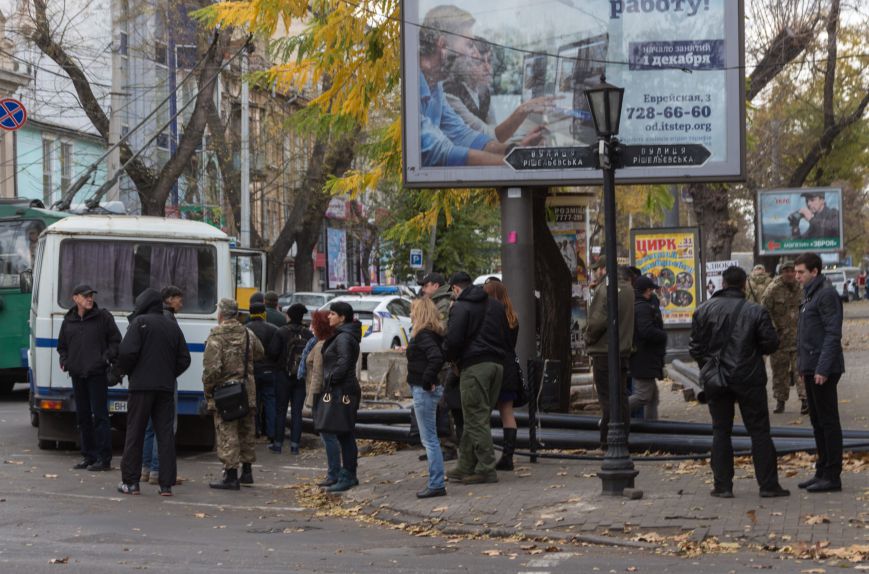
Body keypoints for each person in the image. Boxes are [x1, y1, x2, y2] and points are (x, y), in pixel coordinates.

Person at [689, 266, 788, 499]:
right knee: (760, 431)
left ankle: (723, 486)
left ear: (723, 283)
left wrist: (711, 367)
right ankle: (768, 486)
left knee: (720, 431)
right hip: (749, 378)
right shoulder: (756, 311)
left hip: (716, 381)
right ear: (744, 284)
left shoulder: (703, 310)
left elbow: (695, 348)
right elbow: (771, 344)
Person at [418, 5, 541, 167]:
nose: (474, 54)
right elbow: (441, 152)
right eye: (469, 45)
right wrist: (519, 163)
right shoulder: (413, 86)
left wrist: (517, 152)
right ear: (443, 47)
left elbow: (464, 135)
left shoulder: (435, 86)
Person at [113, 288, 191, 496]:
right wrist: (168, 373)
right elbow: (185, 359)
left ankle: (131, 482)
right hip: (165, 388)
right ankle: (166, 485)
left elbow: (127, 352)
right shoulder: (172, 325)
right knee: (165, 434)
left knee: (135, 433)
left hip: (140, 388)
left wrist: (128, 372)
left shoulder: (139, 323)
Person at [443, 271, 508, 485]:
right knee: (478, 417)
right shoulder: (497, 306)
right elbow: (506, 335)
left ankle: (486, 468)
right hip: (497, 365)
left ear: (455, 288)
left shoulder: (461, 307)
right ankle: (465, 465)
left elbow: (453, 340)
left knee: (475, 418)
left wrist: (451, 360)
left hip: (474, 366)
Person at [57, 284, 121, 472]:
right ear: (75, 298)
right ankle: (89, 456)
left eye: (91, 295)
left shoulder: (103, 317)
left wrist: (106, 357)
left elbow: (116, 341)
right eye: (85, 296)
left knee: (100, 416)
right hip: (77, 374)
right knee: (83, 417)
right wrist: (65, 361)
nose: (89, 299)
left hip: (97, 374)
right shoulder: (68, 320)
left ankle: (104, 458)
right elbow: (62, 346)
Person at [794, 253, 845, 493]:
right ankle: (822, 470)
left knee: (828, 422)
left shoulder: (826, 294)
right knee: (816, 422)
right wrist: (803, 366)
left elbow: (832, 334)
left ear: (814, 271)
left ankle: (833, 476)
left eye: (801, 272)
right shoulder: (810, 294)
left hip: (823, 369)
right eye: (796, 272)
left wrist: (822, 368)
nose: (797, 277)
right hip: (811, 367)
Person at [203, 298, 265, 490]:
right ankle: (247, 472)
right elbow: (260, 353)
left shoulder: (216, 336)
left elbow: (212, 370)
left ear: (221, 314)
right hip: (247, 389)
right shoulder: (248, 333)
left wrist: (208, 391)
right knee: (246, 430)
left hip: (225, 392)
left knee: (227, 432)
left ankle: (230, 475)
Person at [444, 37, 551, 145]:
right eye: (478, 62)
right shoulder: (451, 94)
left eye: (489, 60)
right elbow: (492, 136)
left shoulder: (483, 91)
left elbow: (494, 133)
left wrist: (521, 143)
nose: (487, 67)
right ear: (463, 65)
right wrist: (523, 110)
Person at [584, 263, 634, 449]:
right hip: (622, 350)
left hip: (605, 351)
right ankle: (622, 438)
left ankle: (608, 440)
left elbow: (597, 321)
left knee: (607, 398)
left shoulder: (607, 289)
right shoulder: (629, 290)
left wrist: (588, 338)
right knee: (620, 397)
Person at [141, 285, 185, 485]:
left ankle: (145, 468)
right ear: (168, 300)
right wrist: (171, 372)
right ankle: (158, 471)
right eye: (178, 298)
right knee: (165, 426)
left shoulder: (146, 320)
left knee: (149, 427)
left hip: (148, 379)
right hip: (165, 380)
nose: (180, 303)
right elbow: (182, 356)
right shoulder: (169, 320)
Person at [406, 297, 447, 498]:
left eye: (413, 311)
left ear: (419, 313)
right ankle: (436, 482)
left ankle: (436, 483)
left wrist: (426, 379)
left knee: (429, 439)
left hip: (424, 390)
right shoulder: (432, 333)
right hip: (426, 388)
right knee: (431, 438)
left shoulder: (423, 335)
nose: (410, 314)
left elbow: (436, 357)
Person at [320, 301, 363, 492]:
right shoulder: (342, 335)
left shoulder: (344, 337)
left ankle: (348, 474)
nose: (329, 317)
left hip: (343, 390)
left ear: (342, 317)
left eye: (332, 314)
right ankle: (346, 474)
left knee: (345, 433)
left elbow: (344, 363)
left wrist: (330, 379)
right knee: (343, 432)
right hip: (342, 388)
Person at [419, 271, 460, 459]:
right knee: (441, 404)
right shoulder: (438, 301)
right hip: (440, 359)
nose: (423, 289)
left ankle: (449, 446)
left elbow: (442, 329)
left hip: (443, 362)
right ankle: (443, 445)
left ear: (435, 286)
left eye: (425, 285)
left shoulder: (442, 303)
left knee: (444, 405)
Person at [482, 280, 520, 471]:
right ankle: (508, 456)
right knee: (507, 412)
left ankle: (485, 454)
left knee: (484, 412)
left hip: (494, 365)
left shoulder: (490, 315)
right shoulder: (513, 317)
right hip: (510, 367)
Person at [760, 260, 807, 415]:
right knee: (779, 374)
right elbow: (764, 312)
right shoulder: (772, 290)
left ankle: (805, 401)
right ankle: (780, 401)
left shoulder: (802, 288)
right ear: (781, 273)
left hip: (799, 339)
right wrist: (772, 330)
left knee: (800, 371)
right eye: (785, 271)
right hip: (779, 341)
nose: (789, 274)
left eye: (792, 271)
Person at [300, 311, 340, 488]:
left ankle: (333, 473)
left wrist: (310, 401)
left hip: (320, 398)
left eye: (314, 324)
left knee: (327, 436)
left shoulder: (320, 346)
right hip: (325, 396)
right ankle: (334, 472)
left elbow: (316, 375)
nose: (311, 328)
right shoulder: (327, 343)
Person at [269, 303, 313, 454]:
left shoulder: (281, 332)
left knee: (281, 410)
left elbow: (273, 353)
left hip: (282, 375)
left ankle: (278, 444)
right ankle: (295, 446)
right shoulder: (308, 334)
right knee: (297, 412)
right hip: (300, 377)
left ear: (289, 316)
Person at [629, 276, 667, 420]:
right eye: (650, 289)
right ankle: (614, 413)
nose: (652, 292)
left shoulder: (642, 304)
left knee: (653, 397)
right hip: (644, 359)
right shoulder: (643, 307)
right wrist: (662, 335)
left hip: (646, 359)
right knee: (643, 396)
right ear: (645, 290)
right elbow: (646, 331)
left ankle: (652, 429)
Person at [246, 300, 280, 443]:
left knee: (253, 402)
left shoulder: (245, 329)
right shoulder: (273, 329)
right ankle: (271, 433)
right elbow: (275, 351)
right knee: (270, 401)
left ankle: (255, 431)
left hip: (251, 370)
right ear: (264, 313)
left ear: (250, 313)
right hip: (269, 370)